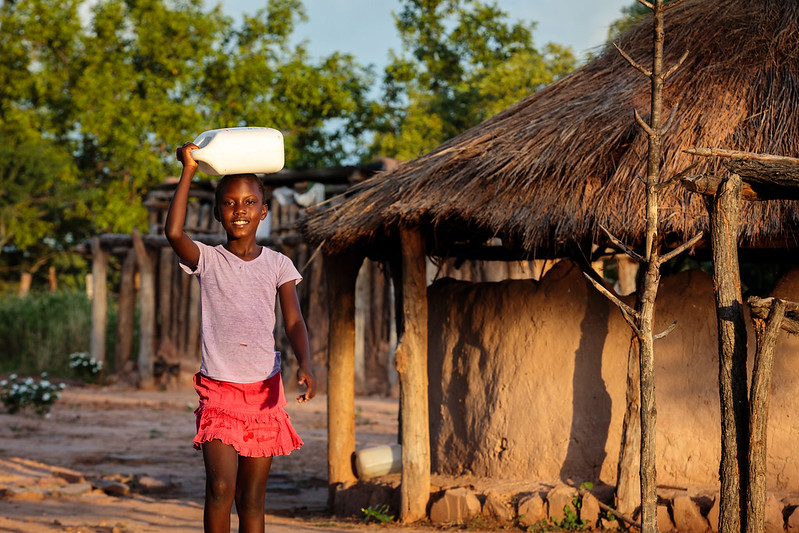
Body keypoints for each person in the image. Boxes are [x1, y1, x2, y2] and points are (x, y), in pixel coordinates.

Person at [166, 142, 316, 533]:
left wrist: (306, 362)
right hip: (219, 392)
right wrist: (189, 169)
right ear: (217, 212)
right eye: (230, 203)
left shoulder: (278, 264)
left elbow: (295, 321)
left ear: (263, 212)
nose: (240, 210)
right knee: (219, 488)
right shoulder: (208, 260)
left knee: (252, 500)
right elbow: (173, 231)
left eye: (249, 203)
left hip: (265, 394)